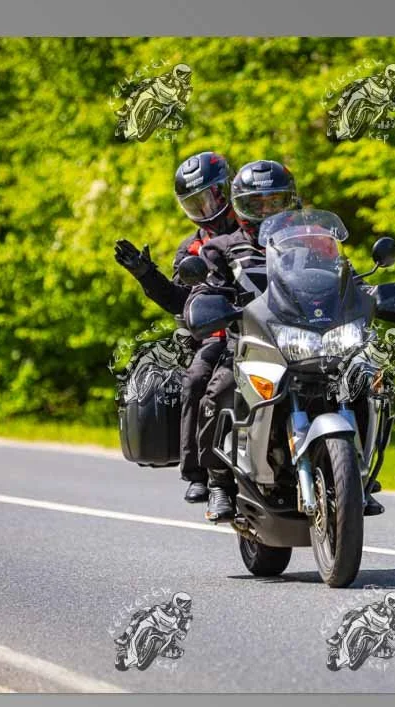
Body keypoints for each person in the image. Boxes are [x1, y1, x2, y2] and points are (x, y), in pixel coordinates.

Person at [193, 160, 388, 521]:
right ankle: (218, 482)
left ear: (291, 201)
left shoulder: (314, 240)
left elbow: (343, 276)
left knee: (363, 381)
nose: (266, 210)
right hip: (251, 339)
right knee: (219, 389)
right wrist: (210, 303)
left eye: (275, 201)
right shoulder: (222, 247)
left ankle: (357, 475)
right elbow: (206, 289)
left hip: (308, 337)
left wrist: (368, 292)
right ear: (239, 207)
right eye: (256, 204)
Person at [114, 151, 238, 502]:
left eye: (211, 197)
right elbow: (180, 301)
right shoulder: (191, 249)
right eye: (195, 203)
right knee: (197, 379)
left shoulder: (256, 230)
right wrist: (146, 275)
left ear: (228, 189)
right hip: (221, 335)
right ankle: (199, 473)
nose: (206, 208)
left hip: (273, 329)